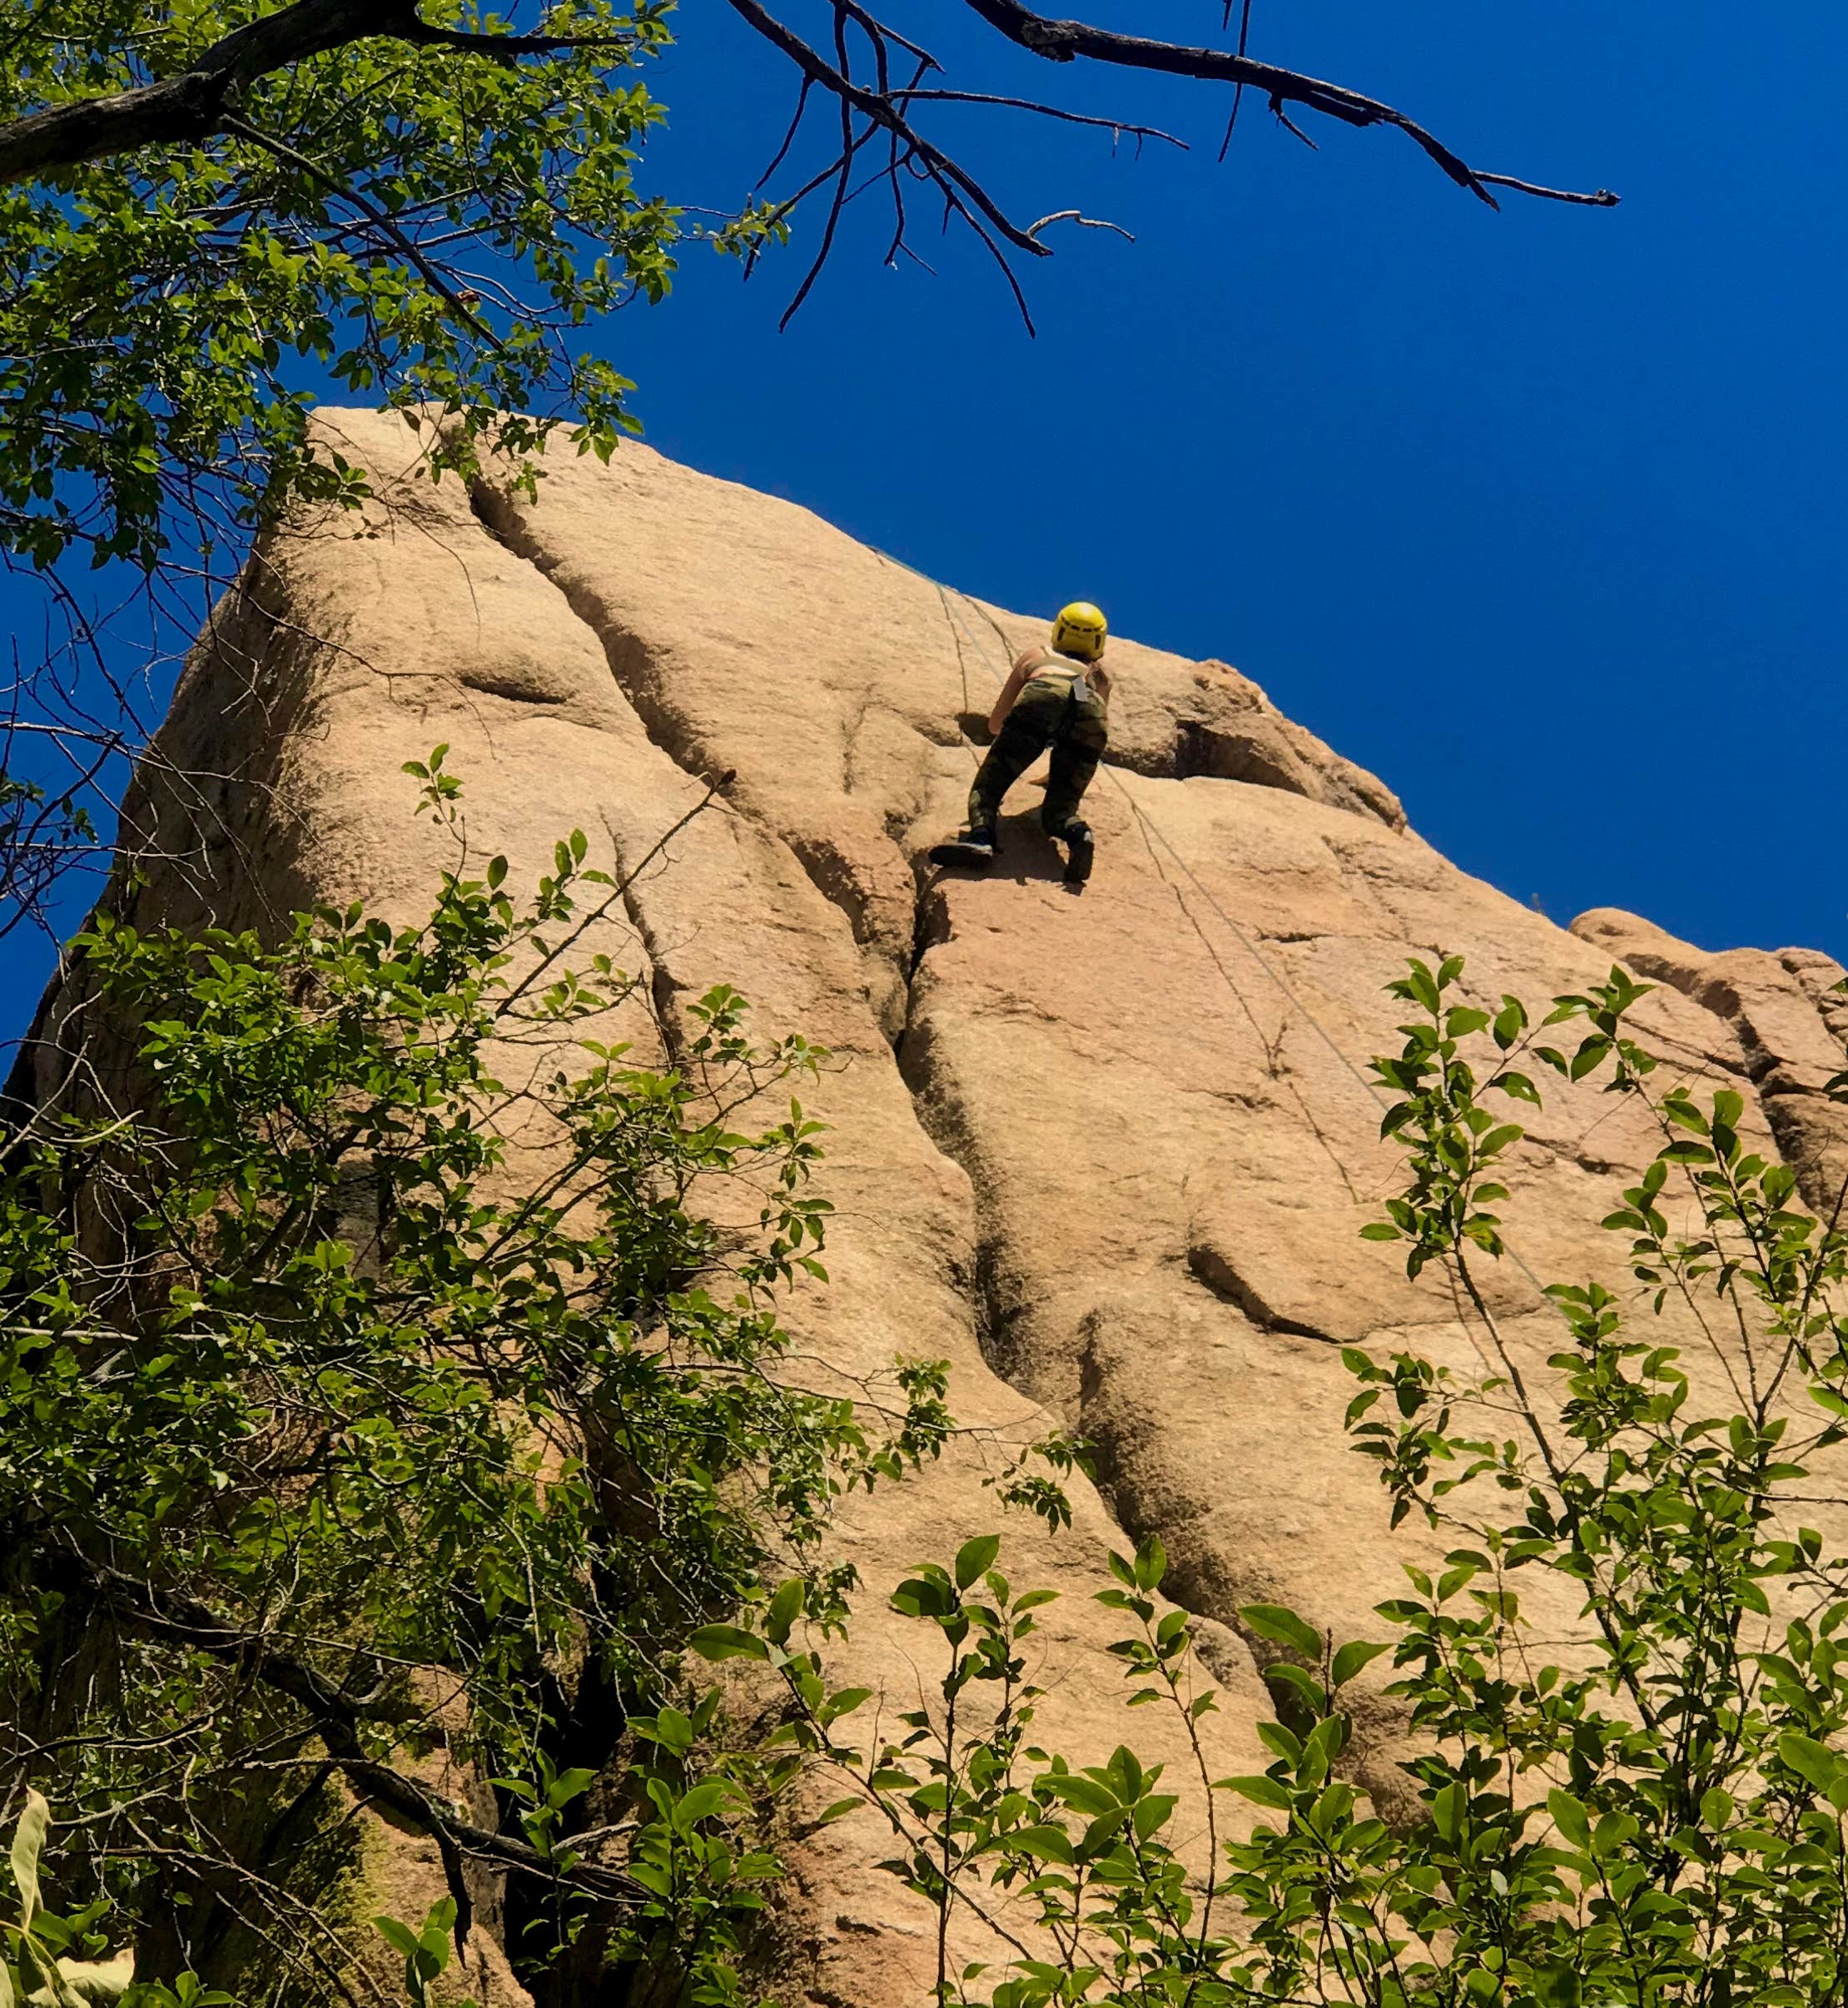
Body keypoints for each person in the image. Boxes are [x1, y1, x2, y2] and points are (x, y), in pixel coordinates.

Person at [932, 601, 1110, 886]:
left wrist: (1018, 737)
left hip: (1043, 694)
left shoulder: (1039, 654)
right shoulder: (1098, 677)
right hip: (1090, 709)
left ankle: (981, 840)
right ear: (1098, 640)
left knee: (986, 790)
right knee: (1059, 812)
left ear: (1060, 630)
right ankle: (1078, 835)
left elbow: (995, 722)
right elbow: (1085, 724)